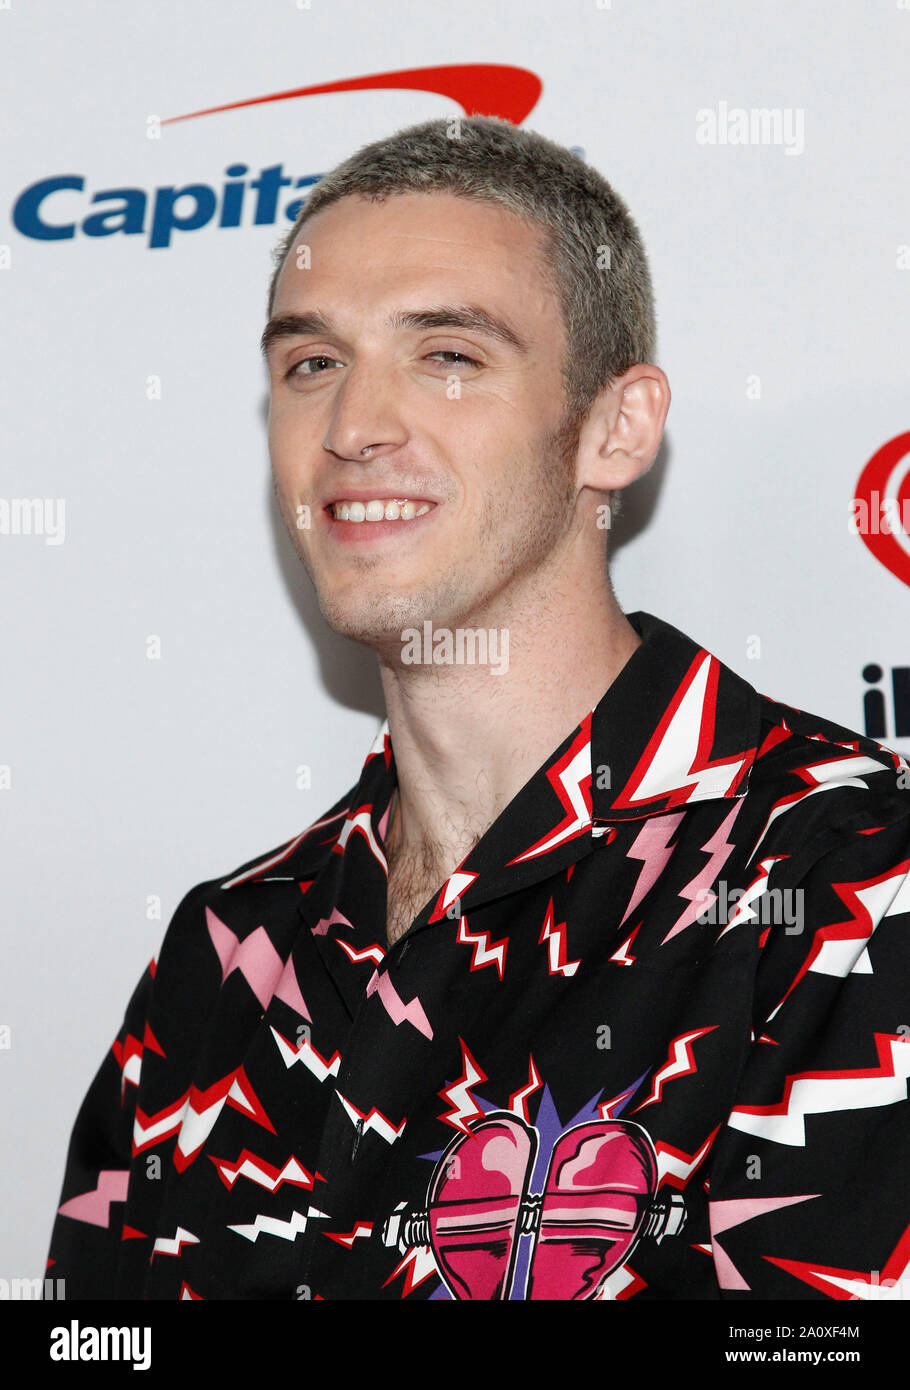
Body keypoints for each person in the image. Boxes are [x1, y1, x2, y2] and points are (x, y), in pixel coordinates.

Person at [46, 116, 910, 1302]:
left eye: (447, 354)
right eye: (311, 364)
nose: (353, 428)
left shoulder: (853, 878)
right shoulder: (230, 947)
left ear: (615, 427)